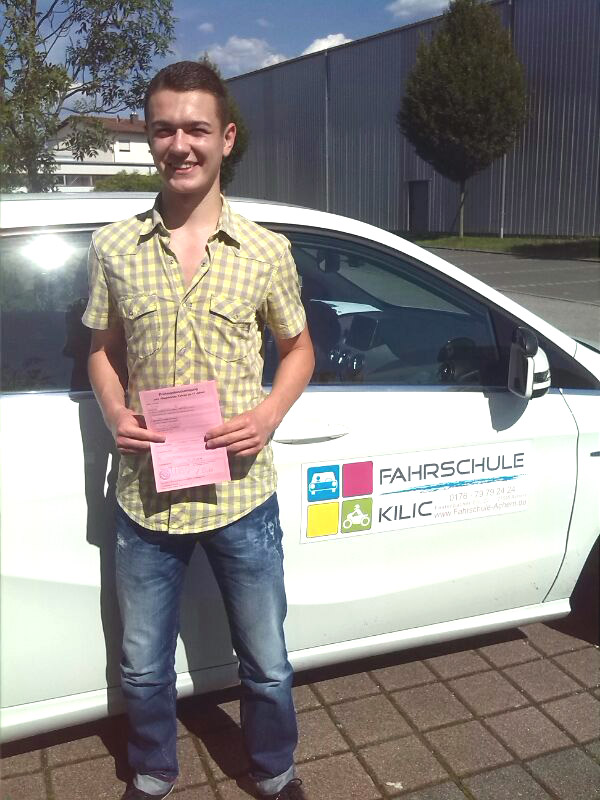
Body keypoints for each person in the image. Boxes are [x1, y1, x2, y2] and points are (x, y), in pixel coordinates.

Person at [83, 60, 314, 800]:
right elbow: (101, 349)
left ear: (226, 138)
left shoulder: (266, 251)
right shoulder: (113, 248)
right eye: (164, 129)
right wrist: (115, 412)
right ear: (150, 138)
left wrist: (268, 415)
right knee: (142, 664)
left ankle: (274, 770)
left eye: (196, 129)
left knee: (267, 660)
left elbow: (299, 350)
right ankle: (153, 771)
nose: (179, 144)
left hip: (241, 496)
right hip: (146, 498)